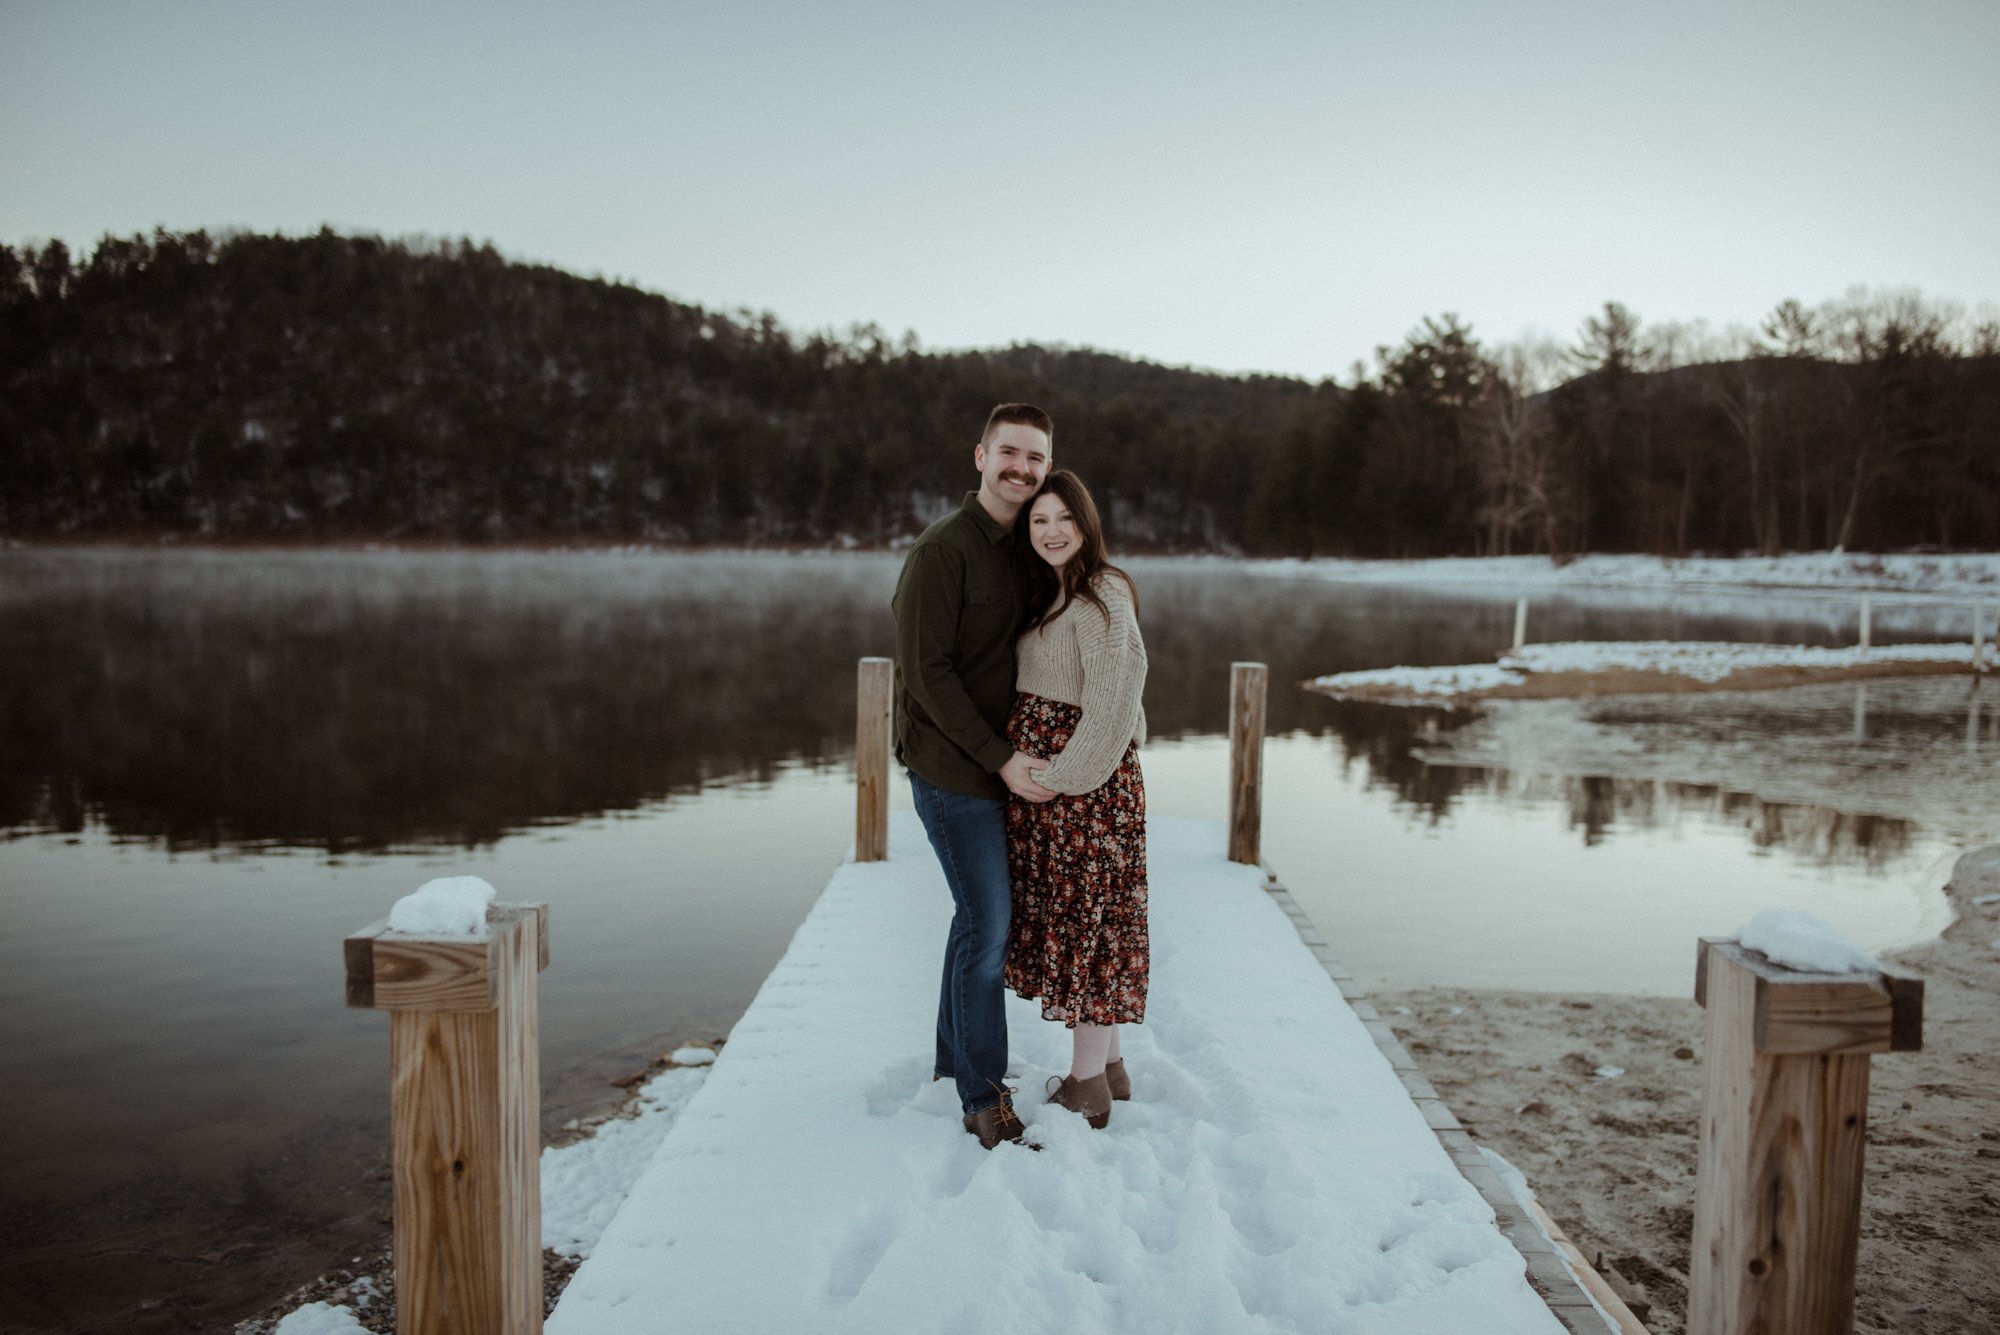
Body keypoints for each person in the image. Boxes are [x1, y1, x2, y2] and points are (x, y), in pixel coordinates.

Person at [891, 402, 1059, 1150]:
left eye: (1037, 459)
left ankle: (949, 1062)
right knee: (989, 928)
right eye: (1012, 453)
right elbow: (926, 673)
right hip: (953, 771)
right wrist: (1000, 757)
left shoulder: (1027, 548)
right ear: (981, 455)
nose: (1024, 468)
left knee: (974, 921)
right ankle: (983, 1098)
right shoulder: (942, 551)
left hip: (1001, 769)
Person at [1003, 468, 1149, 1130]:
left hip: (1083, 790)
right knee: (1095, 918)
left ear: (1086, 523)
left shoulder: (1101, 592)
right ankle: (1111, 1064)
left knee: (1093, 923)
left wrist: (1062, 775)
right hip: (1063, 785)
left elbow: (1116, 697)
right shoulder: (1058, 593)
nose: (1053, 531)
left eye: (1065, 518)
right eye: (1039, 520)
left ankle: (1086, 1082)